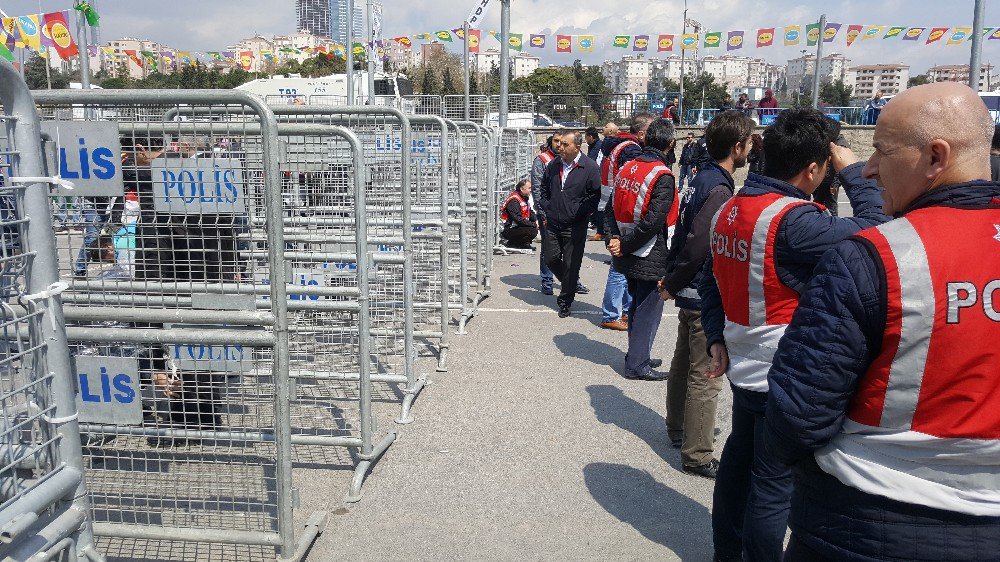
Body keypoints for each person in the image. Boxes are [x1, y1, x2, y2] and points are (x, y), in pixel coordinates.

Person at [765, 81, 1000, 561]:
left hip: (867, 519)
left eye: (880, 151)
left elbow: (798, 412)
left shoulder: (876, 257)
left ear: (936, 158)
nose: (869, 169)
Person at [699, 108, 891, 562]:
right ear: (813, 168)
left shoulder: (732, 206)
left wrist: (715, 336)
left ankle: (727, 551)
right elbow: (875, 229)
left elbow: (711, 281)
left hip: (742, 359)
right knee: (773, 483)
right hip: (780, 369)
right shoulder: (794, 220)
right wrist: (853, 176)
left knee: (740, 461)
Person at [661, 110, 755, 479]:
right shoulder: (718, 187)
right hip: (701, 289)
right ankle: (697, 453)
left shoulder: (702, 178)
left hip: (688, 284)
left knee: (684, 361)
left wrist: (672, 277)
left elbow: (685, 231)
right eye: (748, 143)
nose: (751, 149)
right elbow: (700, 242)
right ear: (736, 147)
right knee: (706, 373)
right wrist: (672, 280)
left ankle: (678, 428)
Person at [604, 118, 678, 379]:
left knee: (636, 305)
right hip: (648, 251)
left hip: (627, 248)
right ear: (670, 144)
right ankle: (637, 364)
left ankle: (638, 354)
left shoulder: (627, 167)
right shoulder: (662, 175)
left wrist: (615, 239)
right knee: (648, 309)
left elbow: (610, 209)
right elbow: (652, 223)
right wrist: (622, 243)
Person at [597, 113, 654, 330]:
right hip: (621, 212)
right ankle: (612, 314)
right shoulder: (631, 150)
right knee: (619, 266)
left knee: (621, 265)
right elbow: (633, 182)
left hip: (613, 209)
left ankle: (622, 312)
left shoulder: (618, 145)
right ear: (641, 133)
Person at [539, 131, 601, 317]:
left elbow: (594, 196)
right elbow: (543, 189)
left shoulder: (589, 167)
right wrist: (547, 208)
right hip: (553, 222)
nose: (560, 147)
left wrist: (578, 213)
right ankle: (569, 282)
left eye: (566, 144)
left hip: (575, 226)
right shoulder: (553, 165)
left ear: (577, 147)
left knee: (571, 264)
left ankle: (565, 300)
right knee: (550, 259)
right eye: (560, 144)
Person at [531, 135, 560, 295]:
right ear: (550, 143)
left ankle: (571, 281)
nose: (559, 145)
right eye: (556, 141)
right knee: (548, 247)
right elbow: (536, 188)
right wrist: (542, 213)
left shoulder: (570, 159)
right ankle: (547, 280)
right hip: (548, 212)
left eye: (562, 142)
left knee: (570, 249)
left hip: (566, 212)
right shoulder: (542, 159)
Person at [500, 179, 538, 249]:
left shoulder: (524, 197)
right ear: (522, 189)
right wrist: (534, 224)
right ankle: (513, 243)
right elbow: (517, 219)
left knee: (533, 228)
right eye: (529, 188)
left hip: (517, 226)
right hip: (509, 228)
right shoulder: (514, 200)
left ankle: (523, 243)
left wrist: (537, 220)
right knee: (531, 230)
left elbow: (530, 212)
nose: (531, 190)